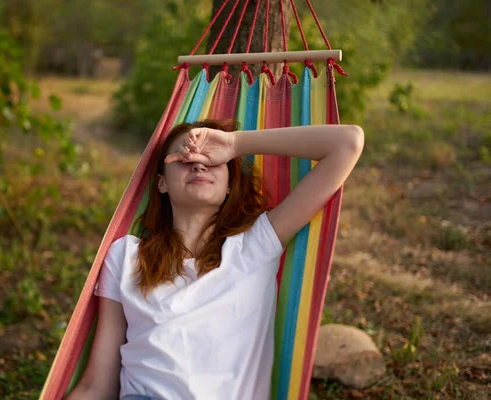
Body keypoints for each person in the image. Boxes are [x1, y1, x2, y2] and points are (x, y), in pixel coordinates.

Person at [66, 120, 364, 400]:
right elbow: (97, 385)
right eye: (183, 159)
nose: (198, 162)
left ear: (230, 183)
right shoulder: (126, 255)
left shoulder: (256, 245)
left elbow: (347, 142)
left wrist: (235, 143)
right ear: (162, 183)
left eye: (212, 159)